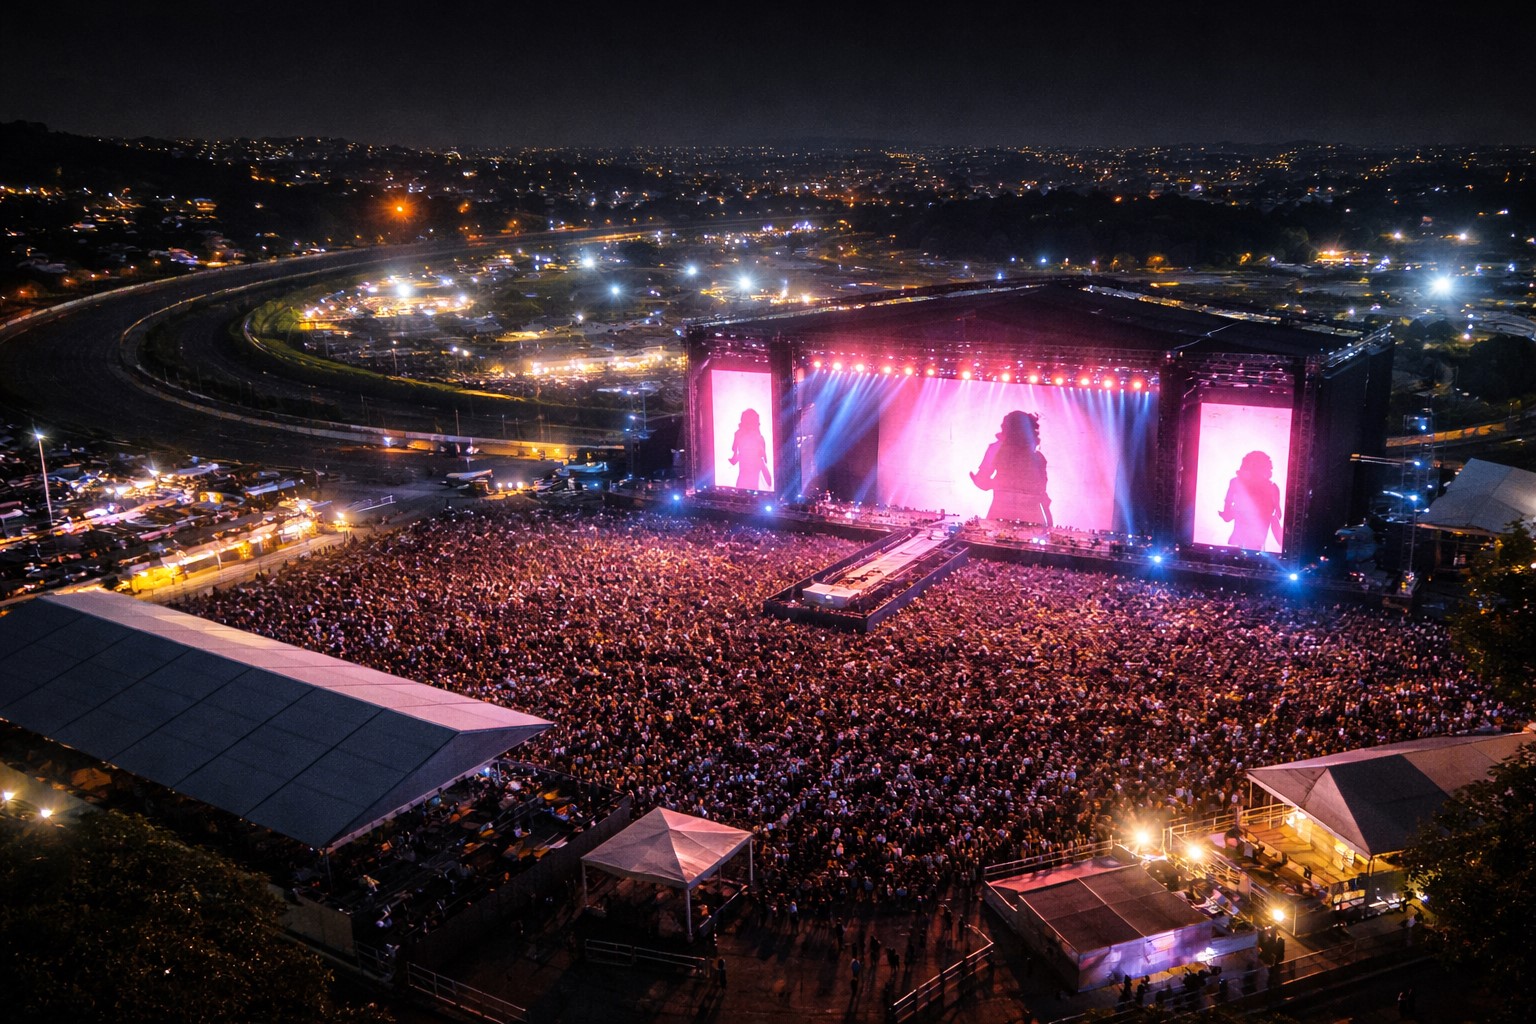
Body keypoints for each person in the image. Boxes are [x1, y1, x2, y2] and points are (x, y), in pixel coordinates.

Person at [970, 411, 1052, 527]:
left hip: (1001, 514)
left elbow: (982, 483)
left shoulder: (995, 450)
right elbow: (1041, 491)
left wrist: (990, 482)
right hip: (1032, 517)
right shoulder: (1038, 458)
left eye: (1004, 426)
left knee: (997, 541)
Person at [1218, 450, 1282, 550]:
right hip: (1251, 543)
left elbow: (1227, 514)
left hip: (1248, 542)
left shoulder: (1236, 483)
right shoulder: (1272, 488)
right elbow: (1278, 515)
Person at [728, 408, 772, 490]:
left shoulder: (759, 439)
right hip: (744, 484)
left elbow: (769, 480)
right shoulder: (740, 435)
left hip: (751, 484)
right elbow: (735, 455)